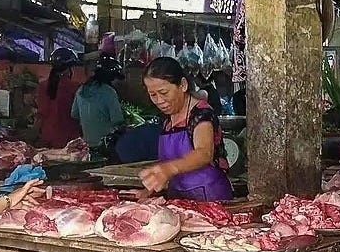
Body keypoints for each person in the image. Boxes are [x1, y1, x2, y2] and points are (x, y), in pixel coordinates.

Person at [138, 57, 232, 201]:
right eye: (153, 95)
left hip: (211, 198)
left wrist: (169, 169)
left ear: (182, 85)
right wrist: (150, 188)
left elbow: (204, 153)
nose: (159, 101)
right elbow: (167, 165)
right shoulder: (168, 121)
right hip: (178, 199)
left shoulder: (201, 114)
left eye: (164, 93)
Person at [71, 55, 125, 149]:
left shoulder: (81, 89)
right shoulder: (109, 91)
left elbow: (74, 114)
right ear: (111, 77)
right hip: (106, 144)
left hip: (87, 143)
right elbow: (117, 119)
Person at [36, 48, 82, 149]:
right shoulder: (75, 87)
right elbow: (78, 114)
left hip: (48, 137)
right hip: (69, 139)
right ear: (69, 68)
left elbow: (41, 113)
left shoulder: (43, 85)